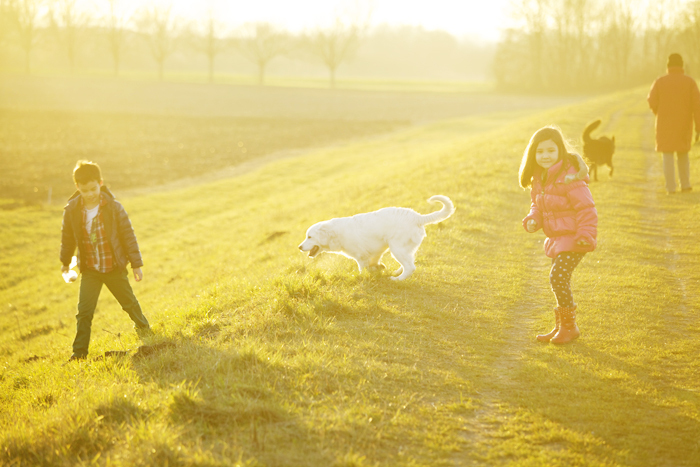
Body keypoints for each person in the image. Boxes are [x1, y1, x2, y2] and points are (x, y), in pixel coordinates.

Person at [60, 161, 151, 361]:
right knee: (84, 312)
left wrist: (136, 264)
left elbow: (128, 235)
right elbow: (67, 238)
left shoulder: (113, 207)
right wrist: (65, 263)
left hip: (113, 267)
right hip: (90, 270)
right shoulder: (72, 210)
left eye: (93, 188)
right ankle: (79, 353)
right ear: (77, 188)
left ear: (100, 183)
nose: (90, 193)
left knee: (129, 303)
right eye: (85, 190)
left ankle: (144, 329)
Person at [520, 126, 597, 345]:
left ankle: (570, 328)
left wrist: (585, 234)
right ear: (533, 153)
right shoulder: (540, 177)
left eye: (551, 151)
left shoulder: (570, 177)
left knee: (558, 277)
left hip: (575, 237)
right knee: (558, 280)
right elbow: (538, 204)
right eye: (540, 151)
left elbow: (586, 208)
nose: (545, 156)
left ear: (560, 151)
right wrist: (533, 219)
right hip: (558, 238)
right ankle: (561, 326)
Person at [647, 53, 700, 194]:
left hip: (664, 125)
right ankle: (685, 184)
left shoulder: (660, 82)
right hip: (684, 125)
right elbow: (697, 106)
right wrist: (698, 128)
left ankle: (670, 187)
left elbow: (651, 101)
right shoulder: (690, 82)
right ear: (681, 65)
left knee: (667, 156)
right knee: (683, 154)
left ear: (668, 66)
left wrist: (658, 112)